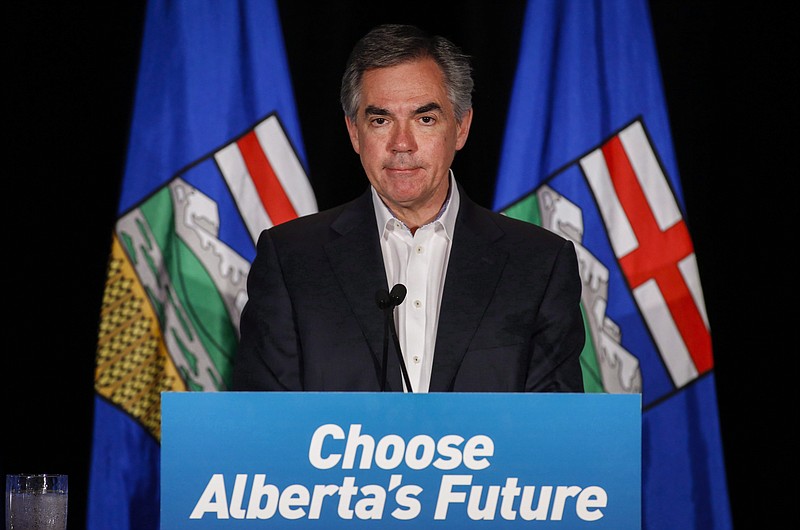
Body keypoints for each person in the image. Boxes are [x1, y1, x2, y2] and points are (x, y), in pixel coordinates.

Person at [232, 24, 585, 393]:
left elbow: (555, 430)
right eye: (380, 120)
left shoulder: (539, 263)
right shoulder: (291, 260)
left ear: (461, 128)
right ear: (354, 132)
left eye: (425, 119)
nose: (402, 144)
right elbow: (263, 424)